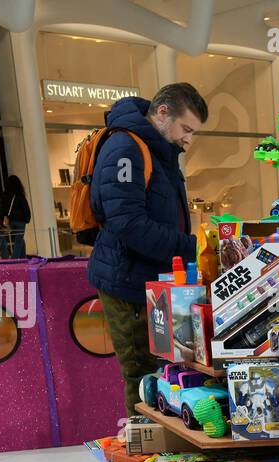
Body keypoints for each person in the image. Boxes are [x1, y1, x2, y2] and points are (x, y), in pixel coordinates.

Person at [86, 83, 207, 414]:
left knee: (164, 373)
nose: (188, 139)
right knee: (142, 375)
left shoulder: (159, 150)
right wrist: (190, 248)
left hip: (154, 282)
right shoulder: (126, 148)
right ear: (163, 113)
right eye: (186, 129)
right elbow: (129, 225)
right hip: (128, 284)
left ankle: (163, 445)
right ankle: (147, 449)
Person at [1, 175, 31, 258]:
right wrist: (27, 219)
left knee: (19, 239)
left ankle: (22, 257)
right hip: (21, 221)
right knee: (19, 240)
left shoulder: (5, 195)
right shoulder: (19, 195)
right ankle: (14, 260)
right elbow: (25, 208)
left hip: (12, 221)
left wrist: (5, 219)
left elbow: (3, 209)